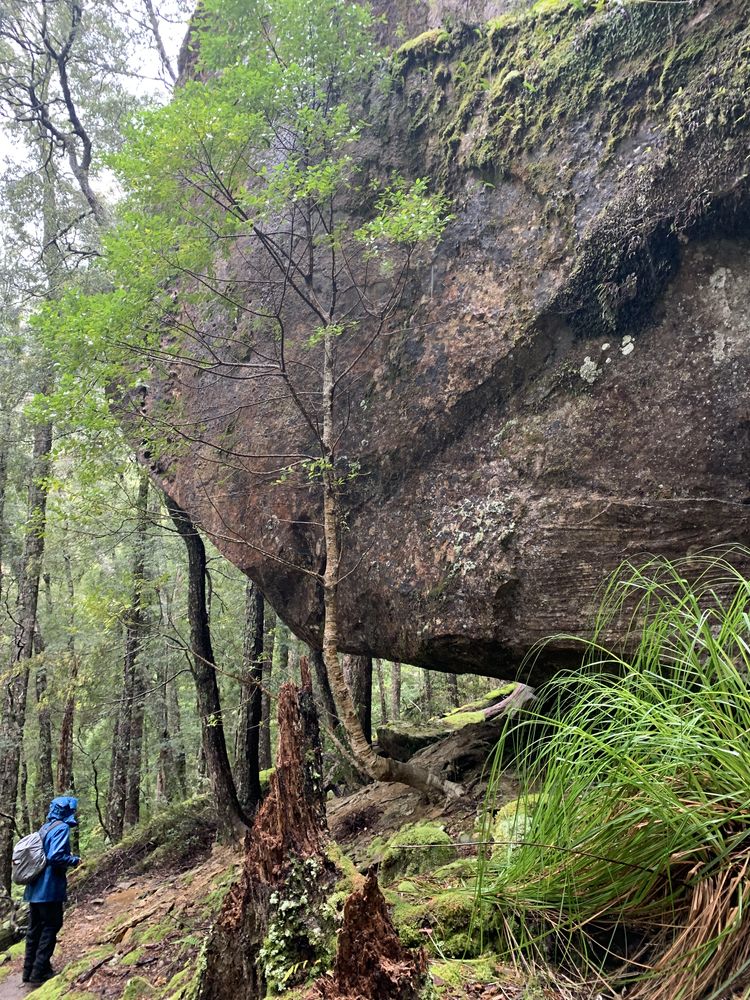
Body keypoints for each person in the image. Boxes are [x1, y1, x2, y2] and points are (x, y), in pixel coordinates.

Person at [22, 796, 81, 985]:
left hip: (34, 888)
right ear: (66, 811)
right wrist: (75, 860)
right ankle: (39, 972)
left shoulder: (45, 828)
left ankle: (28, 971)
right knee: (51, 926)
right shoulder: (61, 828)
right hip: (49, 888)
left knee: (34, 929)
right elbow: (55, 857)